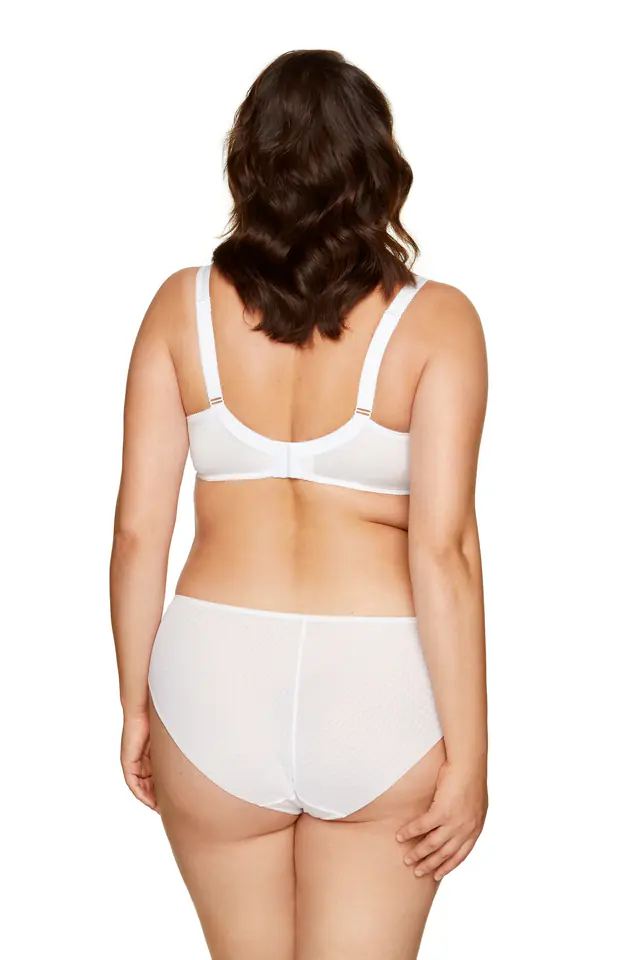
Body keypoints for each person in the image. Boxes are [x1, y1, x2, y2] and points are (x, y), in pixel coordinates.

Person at [110, 48, 489, 960]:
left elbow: (137, 531)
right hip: (378, 686)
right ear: (377, 168)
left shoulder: (180, 309)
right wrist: (472, 757)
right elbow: (444, 553)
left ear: (249, 162)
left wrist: (134, 705)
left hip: (212, 684)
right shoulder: (437, 323)